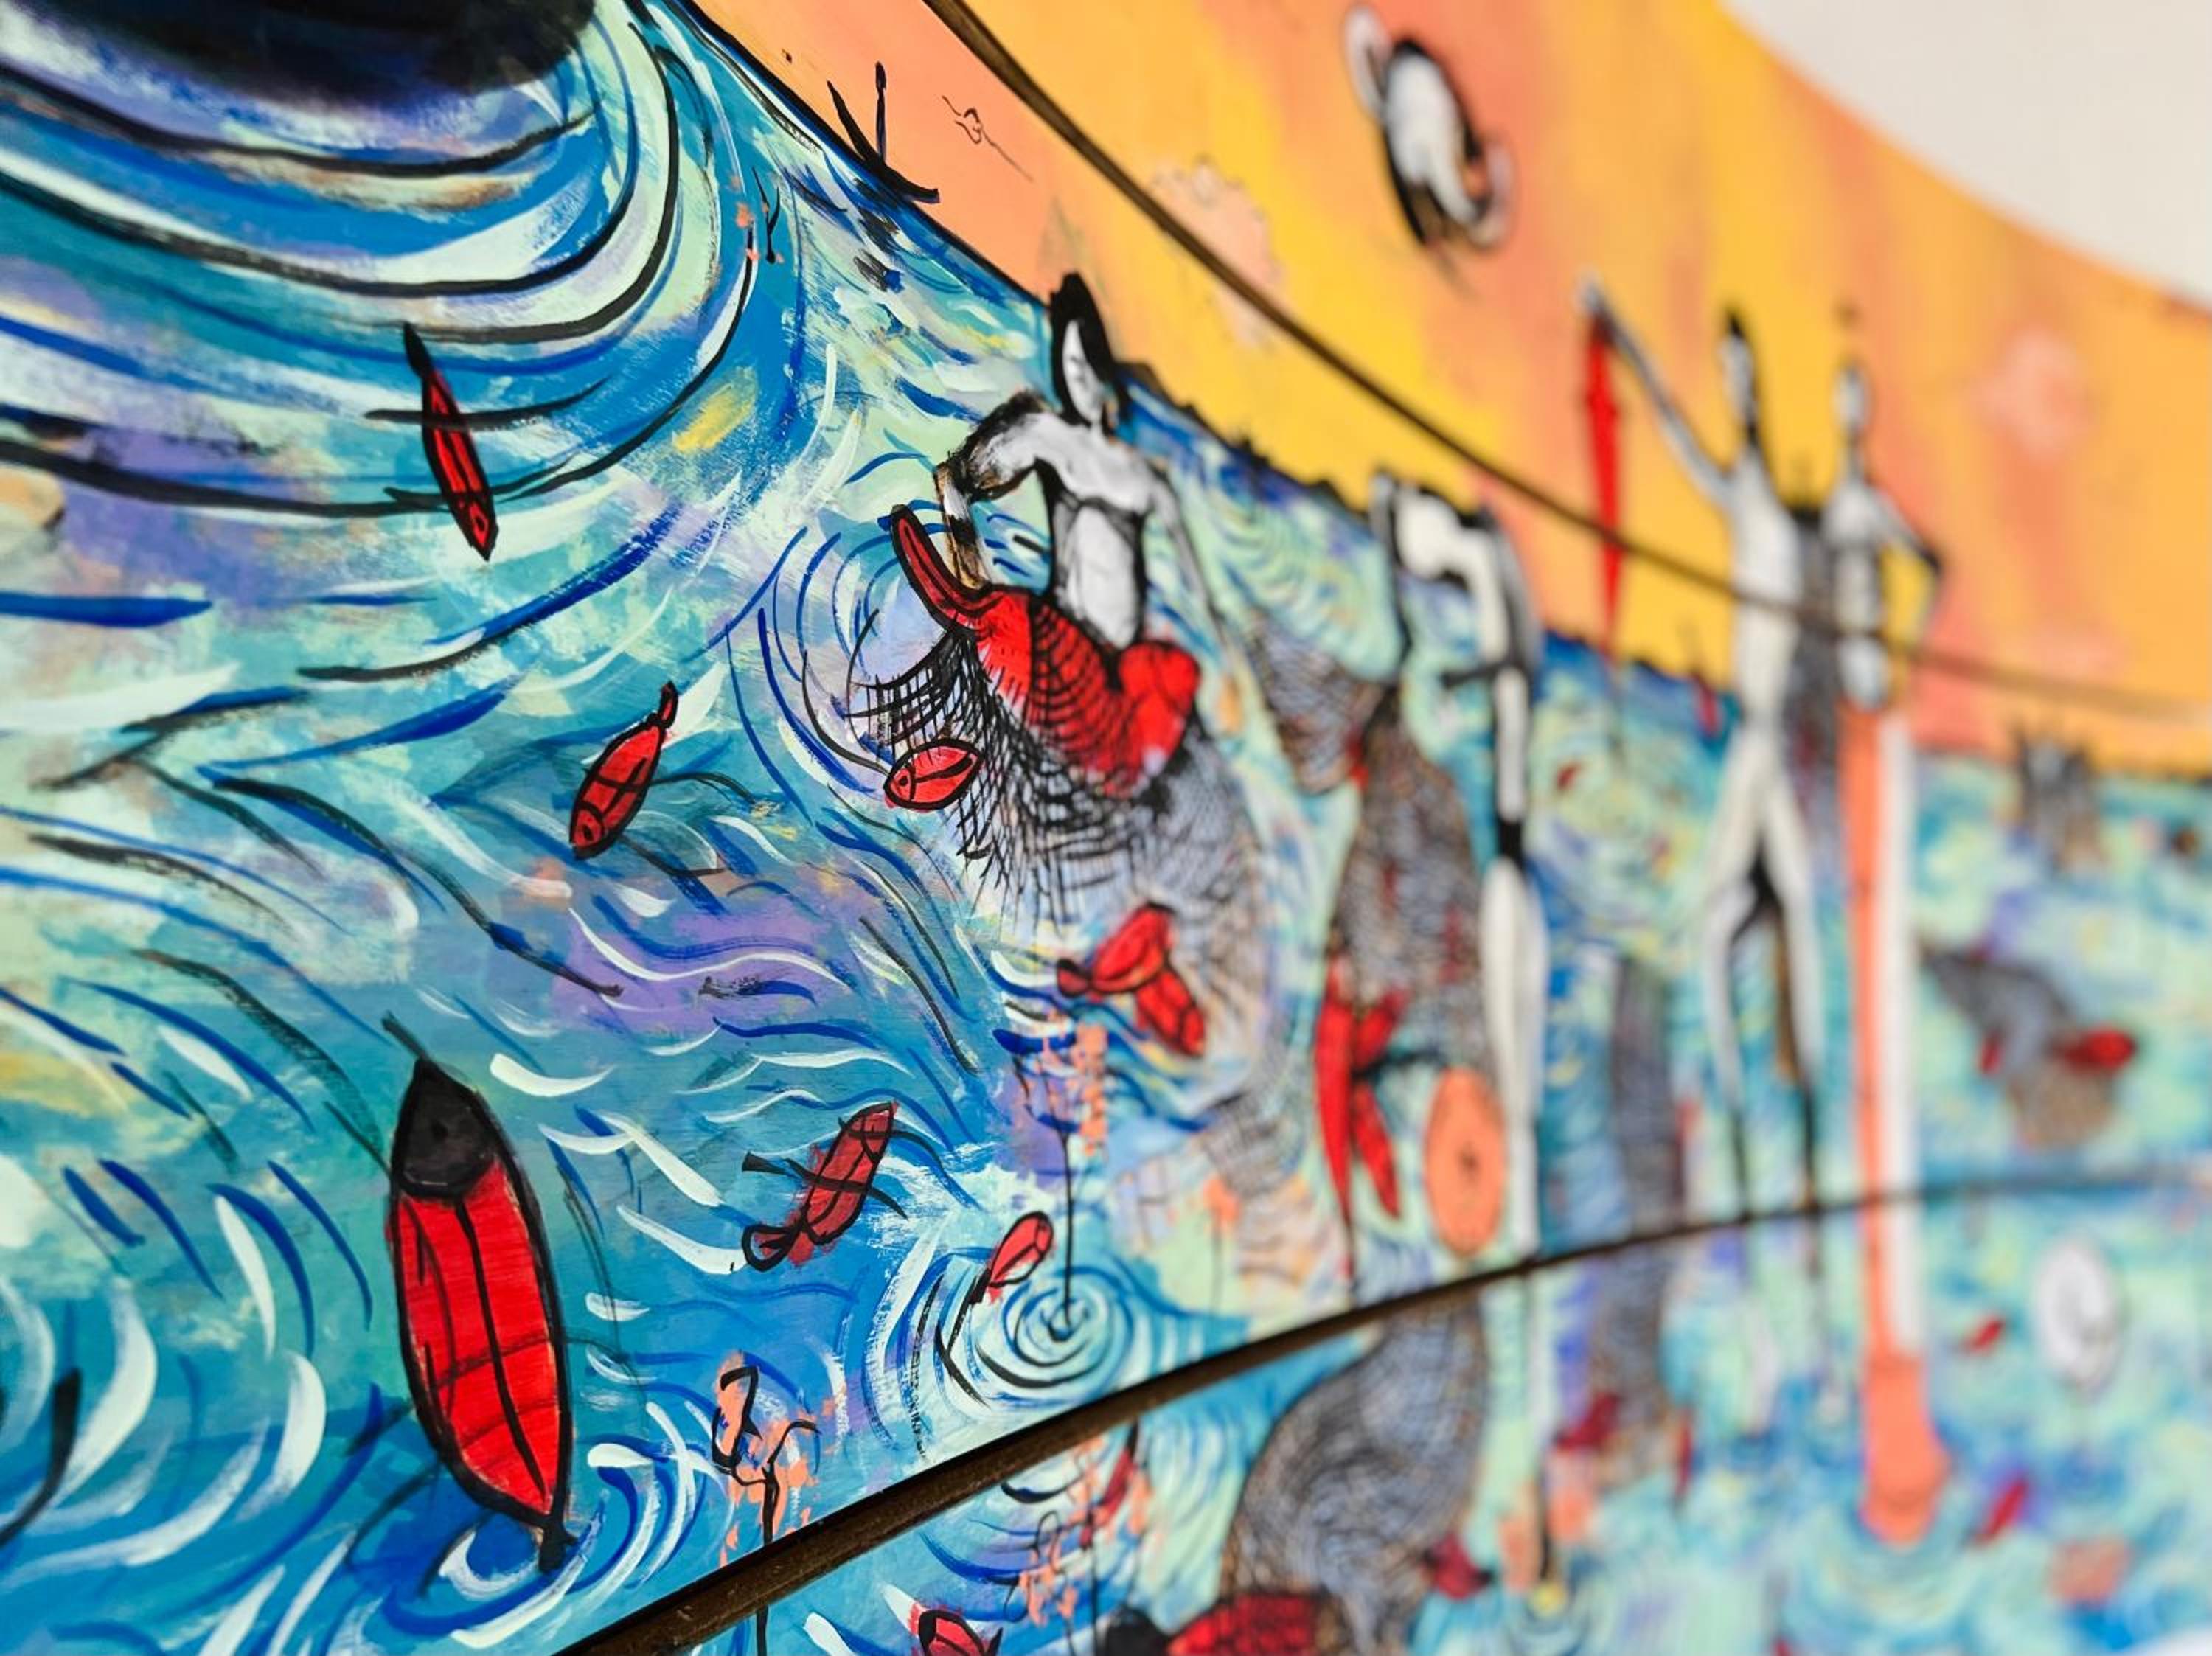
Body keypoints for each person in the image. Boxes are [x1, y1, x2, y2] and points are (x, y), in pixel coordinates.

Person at [1582, 286, 1822, 1218]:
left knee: (1778, 938)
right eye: (1727, 373)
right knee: (1720, 939)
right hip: (1756, 742)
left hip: (1771, 751)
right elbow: (1674, 429)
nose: (1738, 386)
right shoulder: (1739, 489)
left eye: (1743, 370)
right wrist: (1623, 333)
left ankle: (1795, 1161)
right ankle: (1739, 1150)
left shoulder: (1784, 502)